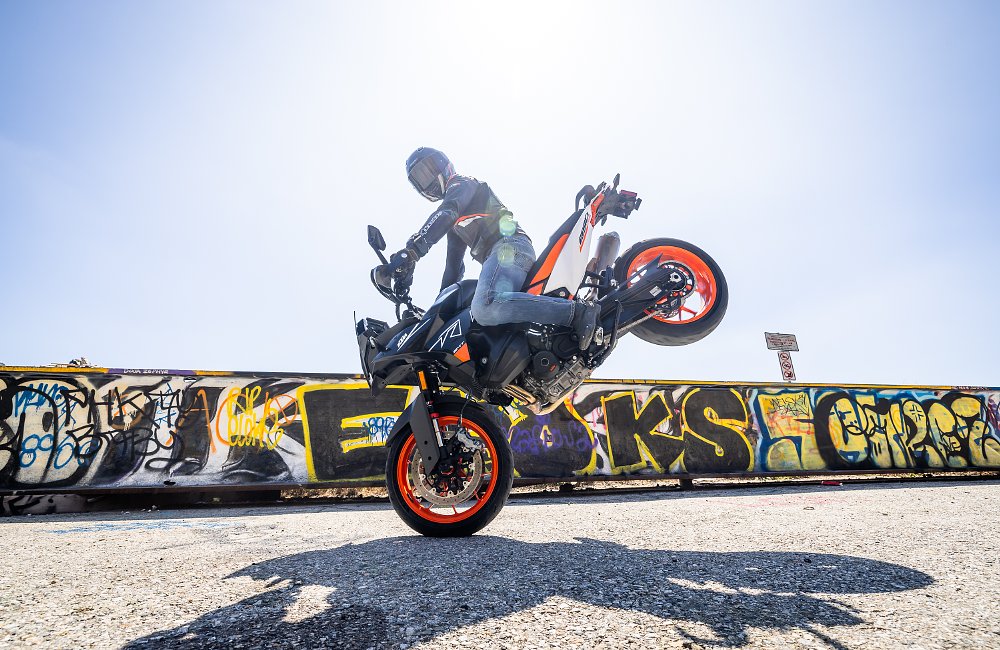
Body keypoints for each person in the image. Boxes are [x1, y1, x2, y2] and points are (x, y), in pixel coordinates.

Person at [388, 147, 600, 350]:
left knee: (485, 305)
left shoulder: (462, 183)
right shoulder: (456, 225)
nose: (427, 183)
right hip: (503, 255)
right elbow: (452, 269)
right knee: (477, 320)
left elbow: (447, 212)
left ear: (444, 165)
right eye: (420, 180)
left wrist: (412, 251)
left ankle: (577, 313)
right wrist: (433, 317)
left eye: (427, 171)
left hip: (509, 247)